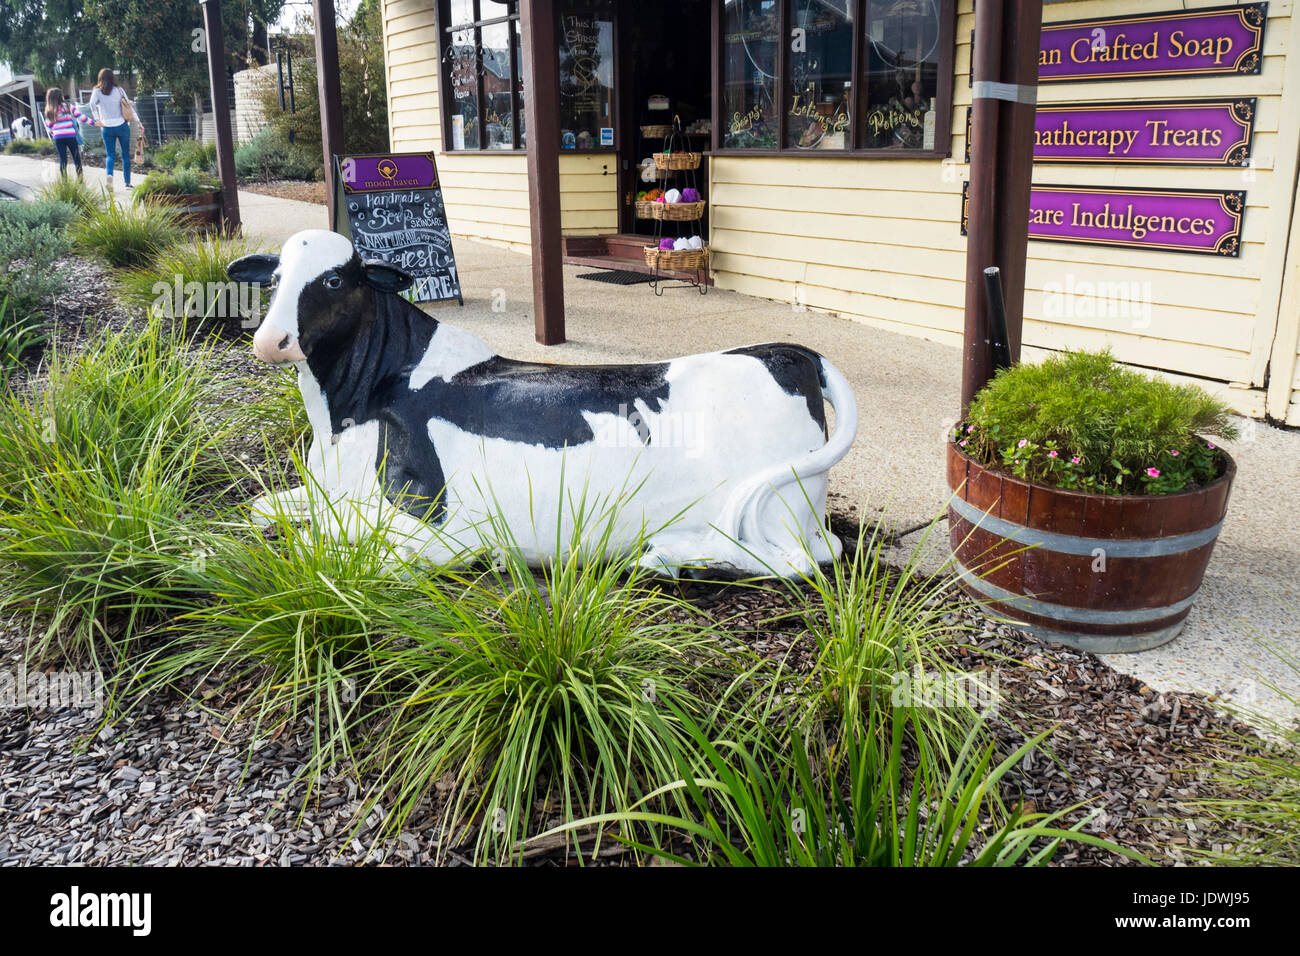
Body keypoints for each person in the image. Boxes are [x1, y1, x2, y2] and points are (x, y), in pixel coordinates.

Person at [89, 68, 146, 189]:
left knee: (110, 155)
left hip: (106, 128)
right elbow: (129, 107)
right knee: (125, 155)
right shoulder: (119, 90)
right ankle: (127, 183)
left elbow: (91, 104)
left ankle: (109, 179)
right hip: (122, 126)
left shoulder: (97, 91)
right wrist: (138, 121)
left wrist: (97, 119)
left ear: (100, 78)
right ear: (112, 78)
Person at [44, 89, 96, 178]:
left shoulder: (50, 110)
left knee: (63, 160)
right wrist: (93, 122)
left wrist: (54, 133)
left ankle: (65, 183)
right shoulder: (68, 106)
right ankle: (80, 181)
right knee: (76, 159)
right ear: (61, 96)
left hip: (58, 138)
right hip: (71, 136)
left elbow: (49, 126)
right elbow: (80, 116)